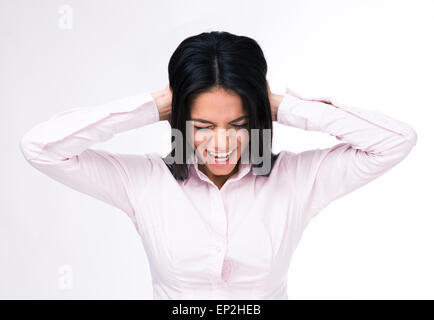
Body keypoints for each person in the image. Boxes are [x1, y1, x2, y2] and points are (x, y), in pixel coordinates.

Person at [19, 31, 417, 299]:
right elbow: (40, 147)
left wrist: (281, 106)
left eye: (240, 125)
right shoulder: (142, 181)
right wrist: (153, 105)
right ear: (179, 119)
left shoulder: (297, 179)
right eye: (203, 126)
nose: (222, 144)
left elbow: (394, 142)